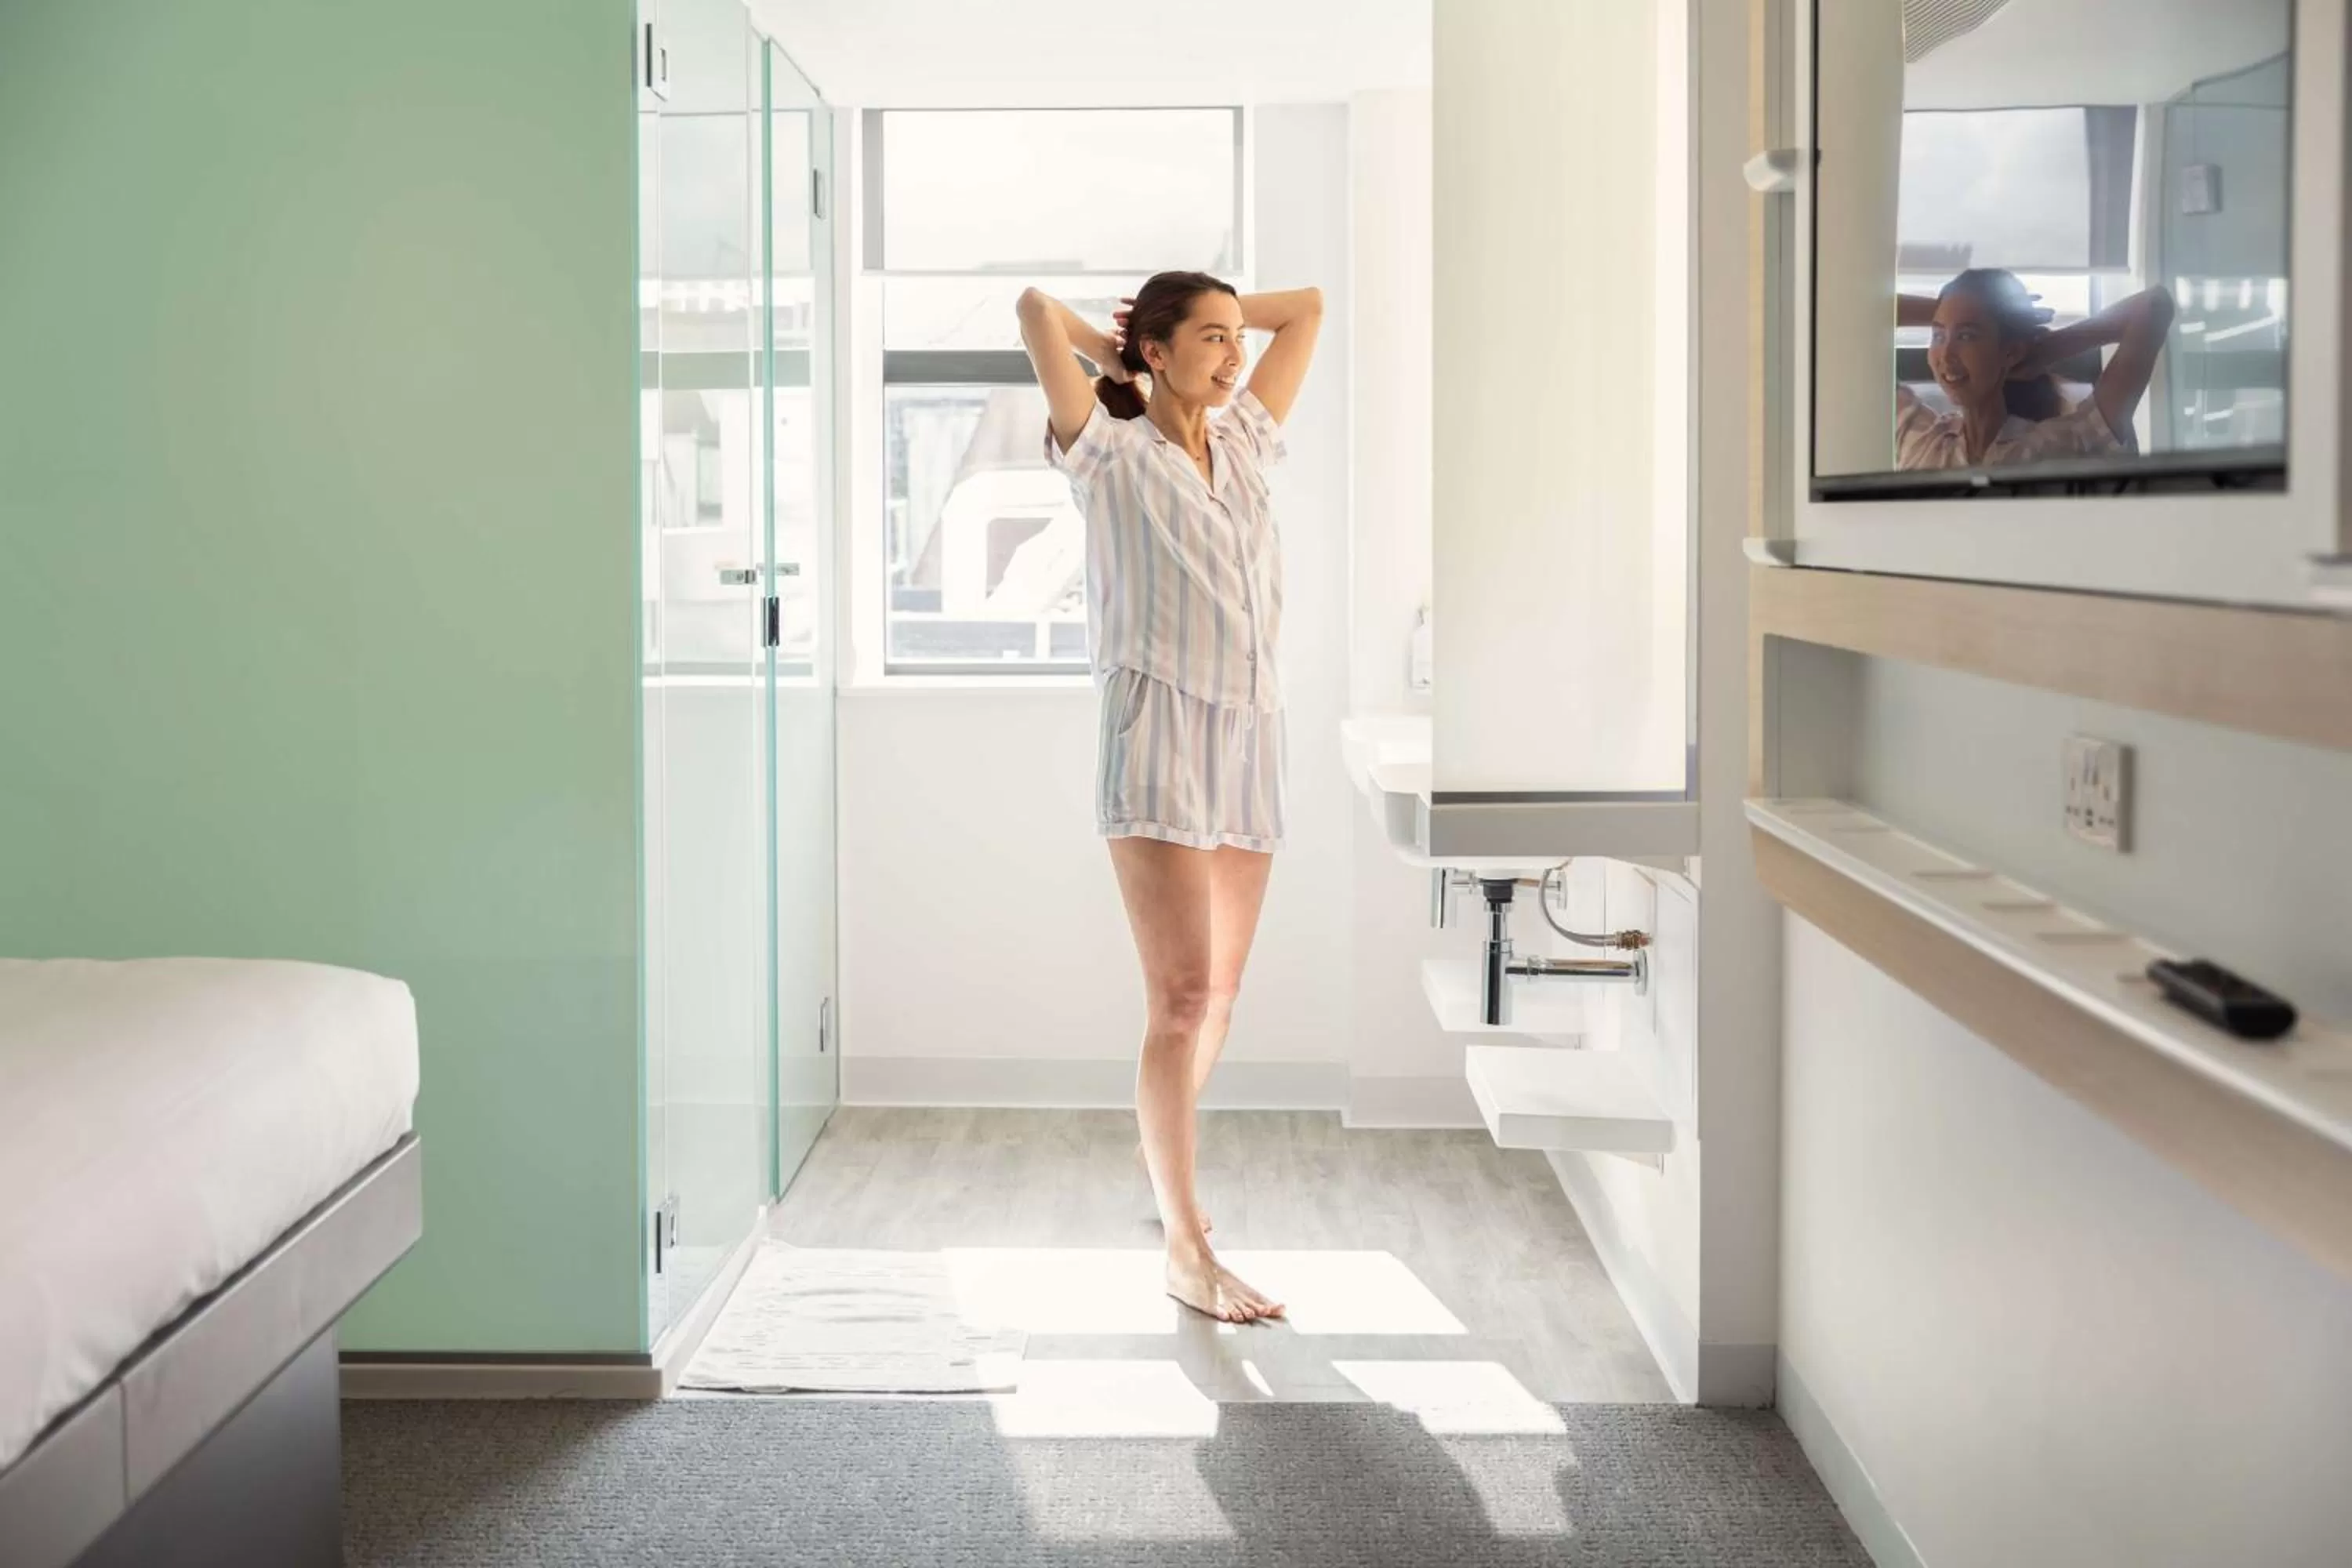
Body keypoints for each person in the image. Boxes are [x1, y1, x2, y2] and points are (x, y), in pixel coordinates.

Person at [1015, 272, 1323, 1323]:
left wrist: (1214, 320)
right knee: (1180, 1001)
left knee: (1223, 997)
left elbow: (1312, 305)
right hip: (1157, 737)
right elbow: (1030, 310)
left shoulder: (1244, 443)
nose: (1237, 354)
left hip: (1249, 732)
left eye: (1239, 337)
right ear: (1153, 349)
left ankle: (1165, 1168)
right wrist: (1118, 357)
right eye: (1211, 338)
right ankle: (1187, 1249)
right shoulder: (1108, 456)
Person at [1893, 267, 2176, 470]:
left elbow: (2152, 306)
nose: (1946, 354)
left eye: (1967, 336)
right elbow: (1851, 313)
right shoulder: (1919, 438)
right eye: (1938, 335)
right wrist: (1954, 306)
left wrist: (2046, 351)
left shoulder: (2067, 443)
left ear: (2011, 352)